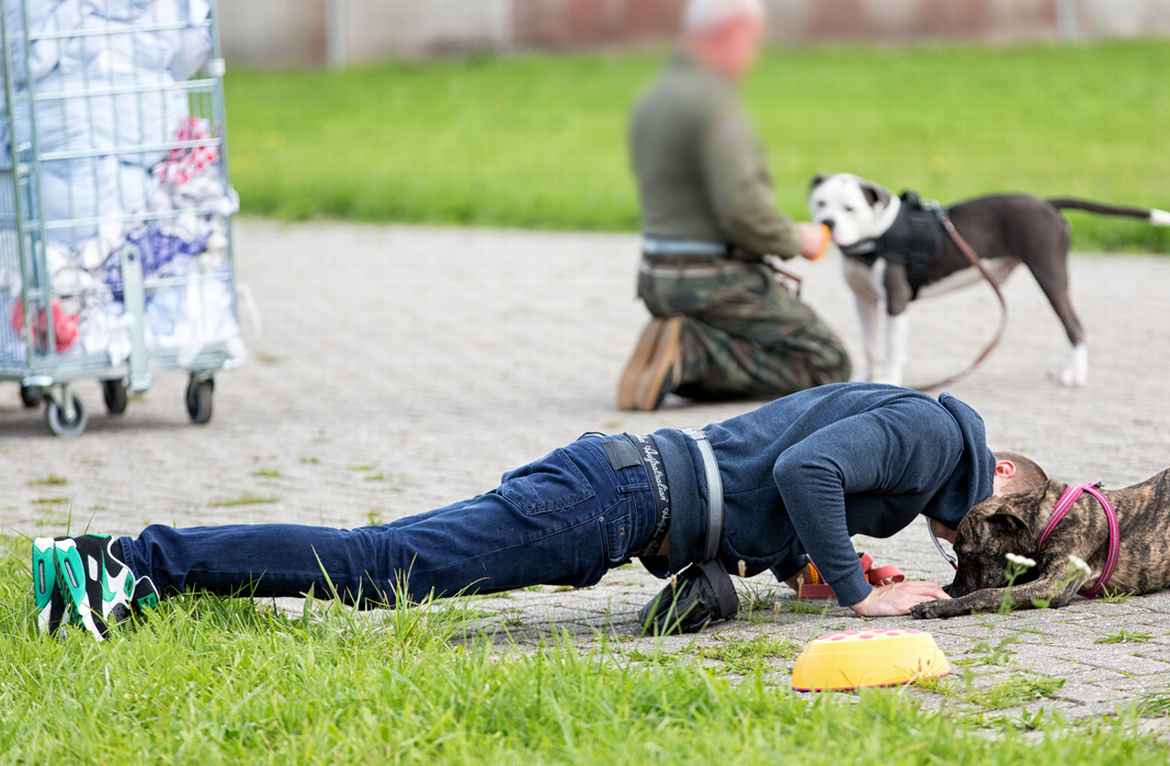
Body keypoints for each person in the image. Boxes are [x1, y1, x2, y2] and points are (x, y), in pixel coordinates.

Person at [30, 383, 1047, 639]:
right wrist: (857, 604)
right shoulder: (934, 437)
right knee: (379, 566)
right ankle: (126, 561)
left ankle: (128, 569)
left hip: (618, 498)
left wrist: (810, 567)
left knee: (383, 566)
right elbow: (808, 472)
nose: (975, 546)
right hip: (611, 500)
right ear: (998, 473)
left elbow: (779, 476)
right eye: (1003, 525)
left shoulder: (923, 450)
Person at [617, 0, 851, 412]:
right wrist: (798, 238)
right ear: (732, 32)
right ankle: (691, 352)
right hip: (713, 280)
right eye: (752, 41)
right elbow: (743, 212)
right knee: (827, 363)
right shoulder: (713, 106)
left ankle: (679, 342)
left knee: (764, 344)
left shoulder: (653, 98)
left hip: (658, 276)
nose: (753, 55)